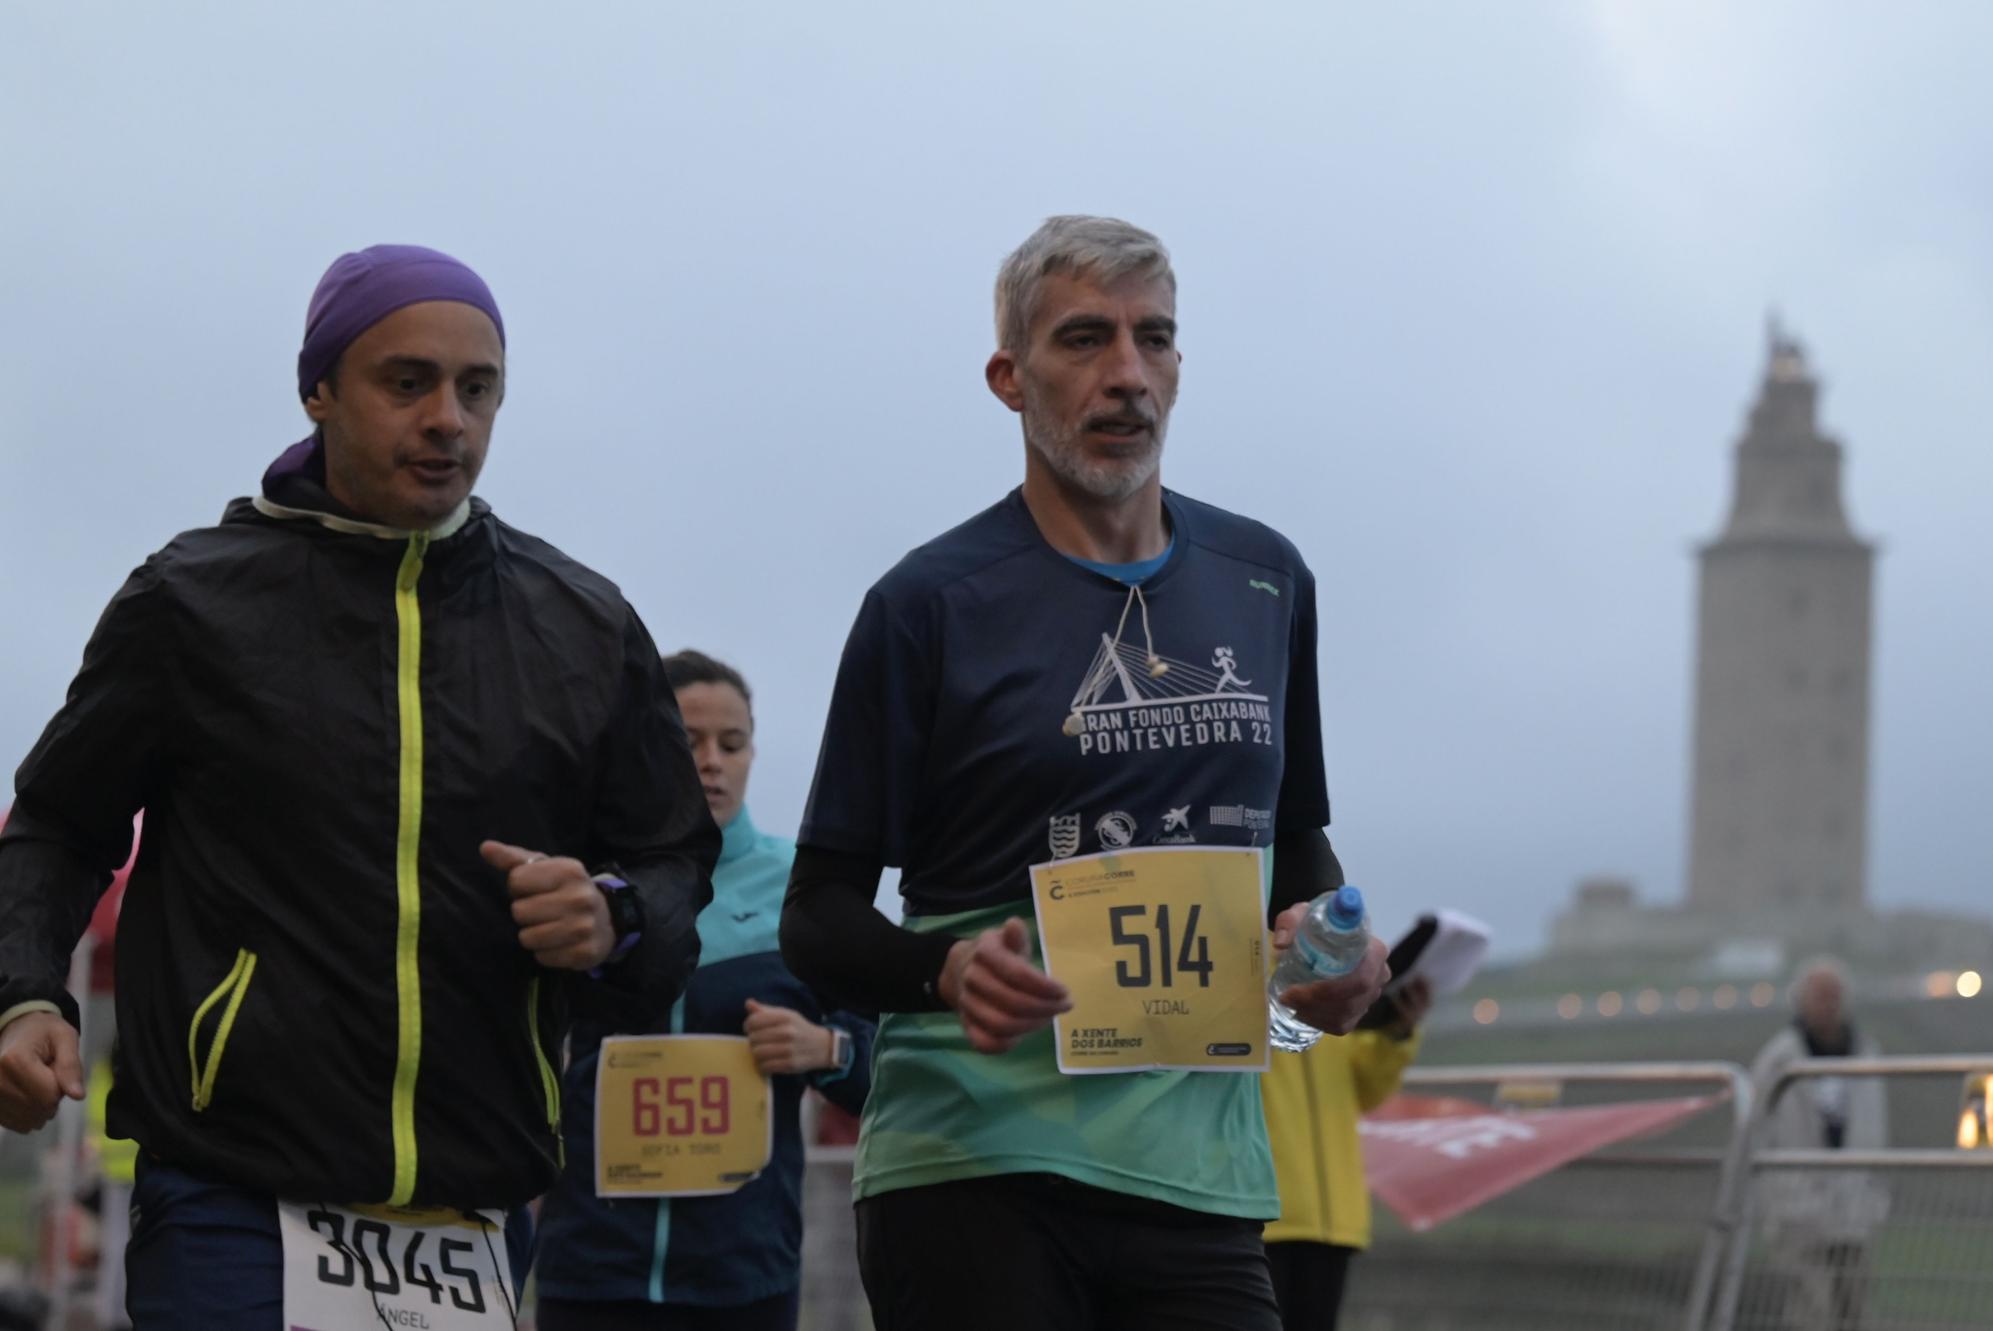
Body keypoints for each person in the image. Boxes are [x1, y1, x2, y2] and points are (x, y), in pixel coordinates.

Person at [0, 244, 718, 1327]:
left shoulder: (585, 623)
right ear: (318, 389)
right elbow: (56, 825)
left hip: (475, 1211)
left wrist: (613, 915)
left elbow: (673, 865)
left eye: (478, 390)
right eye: (408, 381)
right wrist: (23, 992)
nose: (448, 419)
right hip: (230, 1188)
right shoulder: (191, 603)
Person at [780, 215, 1389, 1331]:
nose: (1125, 376)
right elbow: (816, 917)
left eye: (1151, 339)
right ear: (1008, 377)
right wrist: (946, 967)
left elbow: (1290, 842)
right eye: (1082, 341)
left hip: (1199, 1174)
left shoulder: (1266, 576)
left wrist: (1337, 958)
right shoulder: (926, 604)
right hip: (973, 1160)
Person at [535, 650, 874, 1331]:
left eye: (732, 742)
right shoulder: (584, 889)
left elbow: (892, 1067)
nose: (712, 760)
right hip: (591, 1267)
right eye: (687, 740)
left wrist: (826, 1046)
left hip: (744, 1274)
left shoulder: (800, 888)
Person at [1260, 979, 1432, 1331]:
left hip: (1332, 1218)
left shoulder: (1333, 967)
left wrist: (1396, 1032)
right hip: (1259, 1212)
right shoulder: (1247, 960)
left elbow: (1366, 1090)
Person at [1747, 957, 1888, 1331]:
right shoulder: (1779, 1059)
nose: (1829, 1005)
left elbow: (1876, 1127)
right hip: (1798, 1208)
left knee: (1855, 1308)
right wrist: (1775, 1195)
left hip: (1855, 1206)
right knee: (1812, 1310)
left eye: (1835, 996)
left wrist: (1875, 1191)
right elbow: (1756, 1127)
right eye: (1820, 997)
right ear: (1801, 1001)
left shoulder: (1866, 1052)